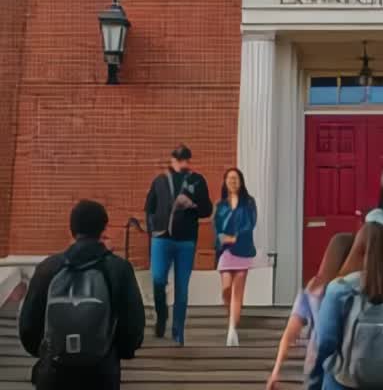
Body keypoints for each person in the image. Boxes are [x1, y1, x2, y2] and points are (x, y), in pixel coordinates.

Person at [18, 199, 145, 390]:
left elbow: (28, 327)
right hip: (101, 374)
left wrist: (48, 353)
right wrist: (116, 353)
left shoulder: (48, 268)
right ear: (104, 228)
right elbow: (133, 326)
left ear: (71, 229)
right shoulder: (119, 269)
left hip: (54, 374)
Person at [307, 221, 383, 390]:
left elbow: (323, 344)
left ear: (356, 250)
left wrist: (313, 381)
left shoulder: (338, 290)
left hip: (342, 383)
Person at [144, 143, 212, 346]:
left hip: (186, 240)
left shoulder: (197, 180)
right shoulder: (160, 180)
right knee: (158, 279)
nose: (183, 163)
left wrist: (193, 205)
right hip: (162, 237)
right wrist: (152, 229)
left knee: (182, 287)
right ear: (172, 160)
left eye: (186, 159)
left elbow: (207, 210)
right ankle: (161, 316)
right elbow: (149, 207)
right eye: (179, 159)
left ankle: (178, 331)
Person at [266, 232, 354, 388]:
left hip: (316, 361)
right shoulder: (353, 289)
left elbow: (290, 333)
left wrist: (276, 371)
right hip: (346, 362)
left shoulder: (313, 289)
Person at [214, 167, 259, 345]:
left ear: (241, 182)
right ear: (225, 182)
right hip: (225, 250)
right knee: (226, 289)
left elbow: (251, 223)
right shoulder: (221, 205)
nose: (233, 182)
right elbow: (217, 227)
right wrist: (223, 238)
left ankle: (232, 329)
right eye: (229, 179)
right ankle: (232, 318)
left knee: (237, 290)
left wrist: (236, 237)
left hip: (243, 249)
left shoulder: (249, 202)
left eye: (236, 178)